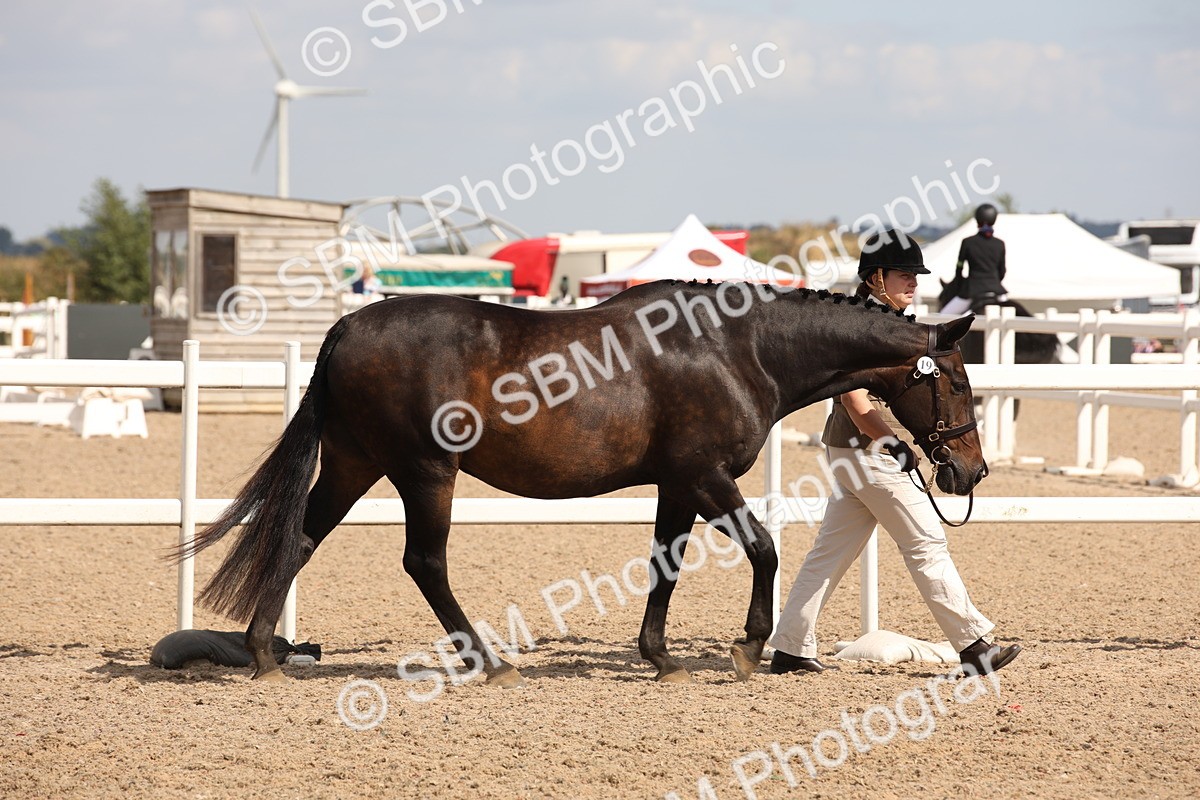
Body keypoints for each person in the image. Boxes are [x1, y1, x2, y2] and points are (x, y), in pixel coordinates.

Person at [768, 230, 1021, 677]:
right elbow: (856, 400)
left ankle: (789, 646)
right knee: (926, 544)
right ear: (875, 278)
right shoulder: (862, 327)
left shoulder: (892, 325)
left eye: (914, 276)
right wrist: (891, 443)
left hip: (849, 452)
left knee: (829, 553)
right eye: (904, 276)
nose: (914, 284)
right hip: (870, 452)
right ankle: (975, 645)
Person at [939, 204, 1008, 315]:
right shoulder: (1000, 244)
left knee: (943, 316)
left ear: (977, 219)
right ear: (994, 220)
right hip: (997, 290)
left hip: (973, 290)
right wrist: (992, 282)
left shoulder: (967, 242)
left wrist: (960, 282)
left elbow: (959, 268)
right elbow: (1002, 271)